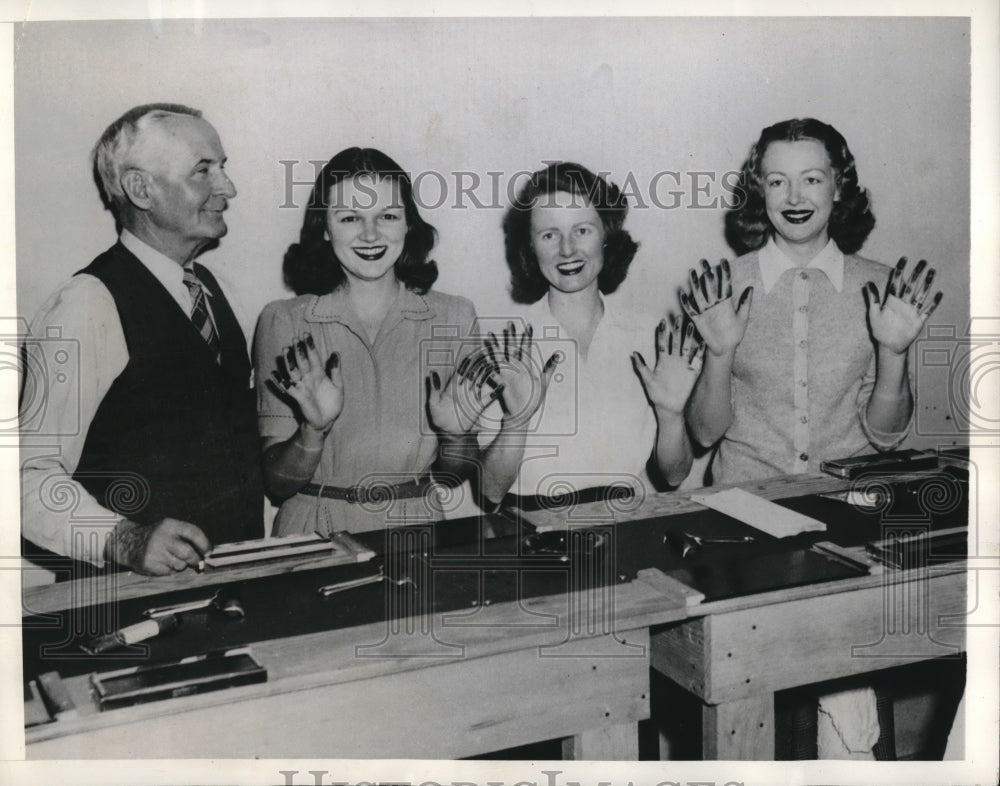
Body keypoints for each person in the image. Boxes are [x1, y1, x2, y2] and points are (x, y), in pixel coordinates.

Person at [682, 117, 944, 760]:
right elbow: (703, 432)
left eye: (811, 178)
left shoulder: (880, 287)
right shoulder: (725, 286)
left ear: (838, 189)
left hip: (847, 526)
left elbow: (885, 436)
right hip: (742, 527)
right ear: (759, 192)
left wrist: (892, 352)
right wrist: (718, 354)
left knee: (849, 691)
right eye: (776, 180)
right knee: (758, 710)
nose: (794, 195)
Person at [20, 103, 264, 576]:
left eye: (223, 169)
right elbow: (25, 479)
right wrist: (123, 539)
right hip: (132, 610)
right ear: (140, 189)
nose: (228, 188)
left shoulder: (214, 291)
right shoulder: (85, 304)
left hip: (230, 597)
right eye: (203, 171)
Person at [256, 147, 511, 536]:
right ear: (324, 228)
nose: (371, 234)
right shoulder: (283, 320)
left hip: (417, 529)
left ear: (408, 224)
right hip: (313, 532)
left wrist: (456, 435)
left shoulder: (454, 316)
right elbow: (276, 483)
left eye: (387, 216)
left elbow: (455, 474)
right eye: (349, 218)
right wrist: (313, 430)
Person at [484, 162, 700, 511]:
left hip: (627, 527)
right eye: (549, 235)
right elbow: (491, 490)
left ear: (606, 235)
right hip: (531, 534)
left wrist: (671, 415)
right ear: (531, 247)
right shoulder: (507, 343)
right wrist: (517, 419)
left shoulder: (653, 338)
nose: (567, 250)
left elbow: (674, 475)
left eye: (582, 230)